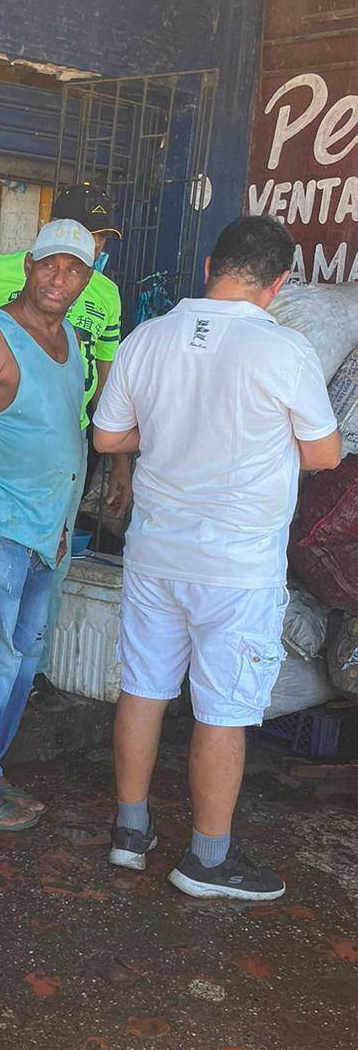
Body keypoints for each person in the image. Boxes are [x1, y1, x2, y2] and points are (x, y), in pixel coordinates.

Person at [93, 215, 341, 900]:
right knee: (223, 711)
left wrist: (173, 429)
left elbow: (108, 437)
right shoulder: (284, 349)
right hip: (236, 567)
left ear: (210, 266)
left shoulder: (148, 337)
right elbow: (325, 454)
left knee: (143, 689)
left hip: (155, 554)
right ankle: (207, 861)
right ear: (279, 282)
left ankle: (129, 833)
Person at [0, 184, 131, 712]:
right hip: (0, 449)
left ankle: (26, 678)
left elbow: (107, 383)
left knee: (46, 577)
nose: (93, 249)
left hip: (63, 454)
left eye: (100, 242)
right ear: (38, 251)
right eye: (86, 234)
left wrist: (118, 462)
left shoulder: (104, 294)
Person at [0, 220, 95, 832]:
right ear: (29, 266)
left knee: (23, 663)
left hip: (45, 532)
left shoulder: (71, 340)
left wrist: (62, 523)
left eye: (75, 270)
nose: (60, 279)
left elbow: (60, 434)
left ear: (86, 280)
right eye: (50, 265)